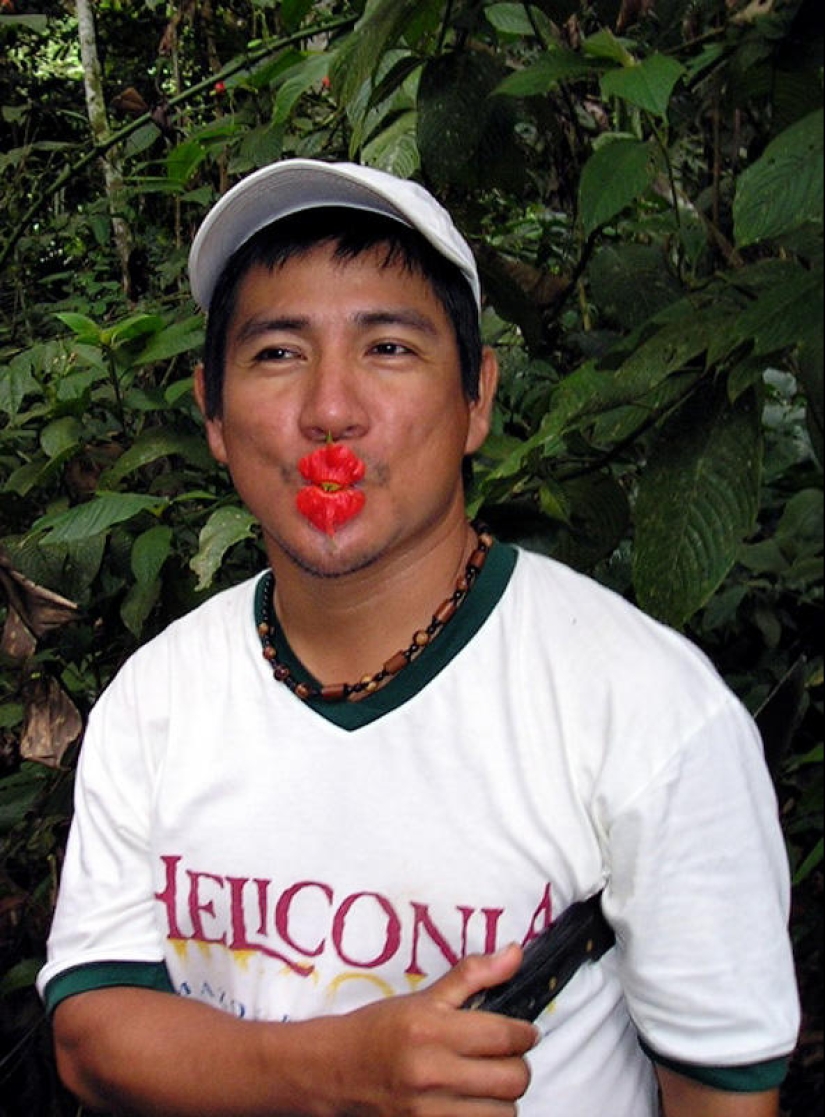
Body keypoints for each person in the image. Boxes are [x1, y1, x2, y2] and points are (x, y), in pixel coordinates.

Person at [38, 159, 799, 1117]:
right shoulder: (157, 700)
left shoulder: (642, 707)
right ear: (214, 413)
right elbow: (92, 1029)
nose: (329, 408)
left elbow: (719, 1089)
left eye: (389, 347)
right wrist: (338, 1072)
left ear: (476, 397)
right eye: (276, 353)